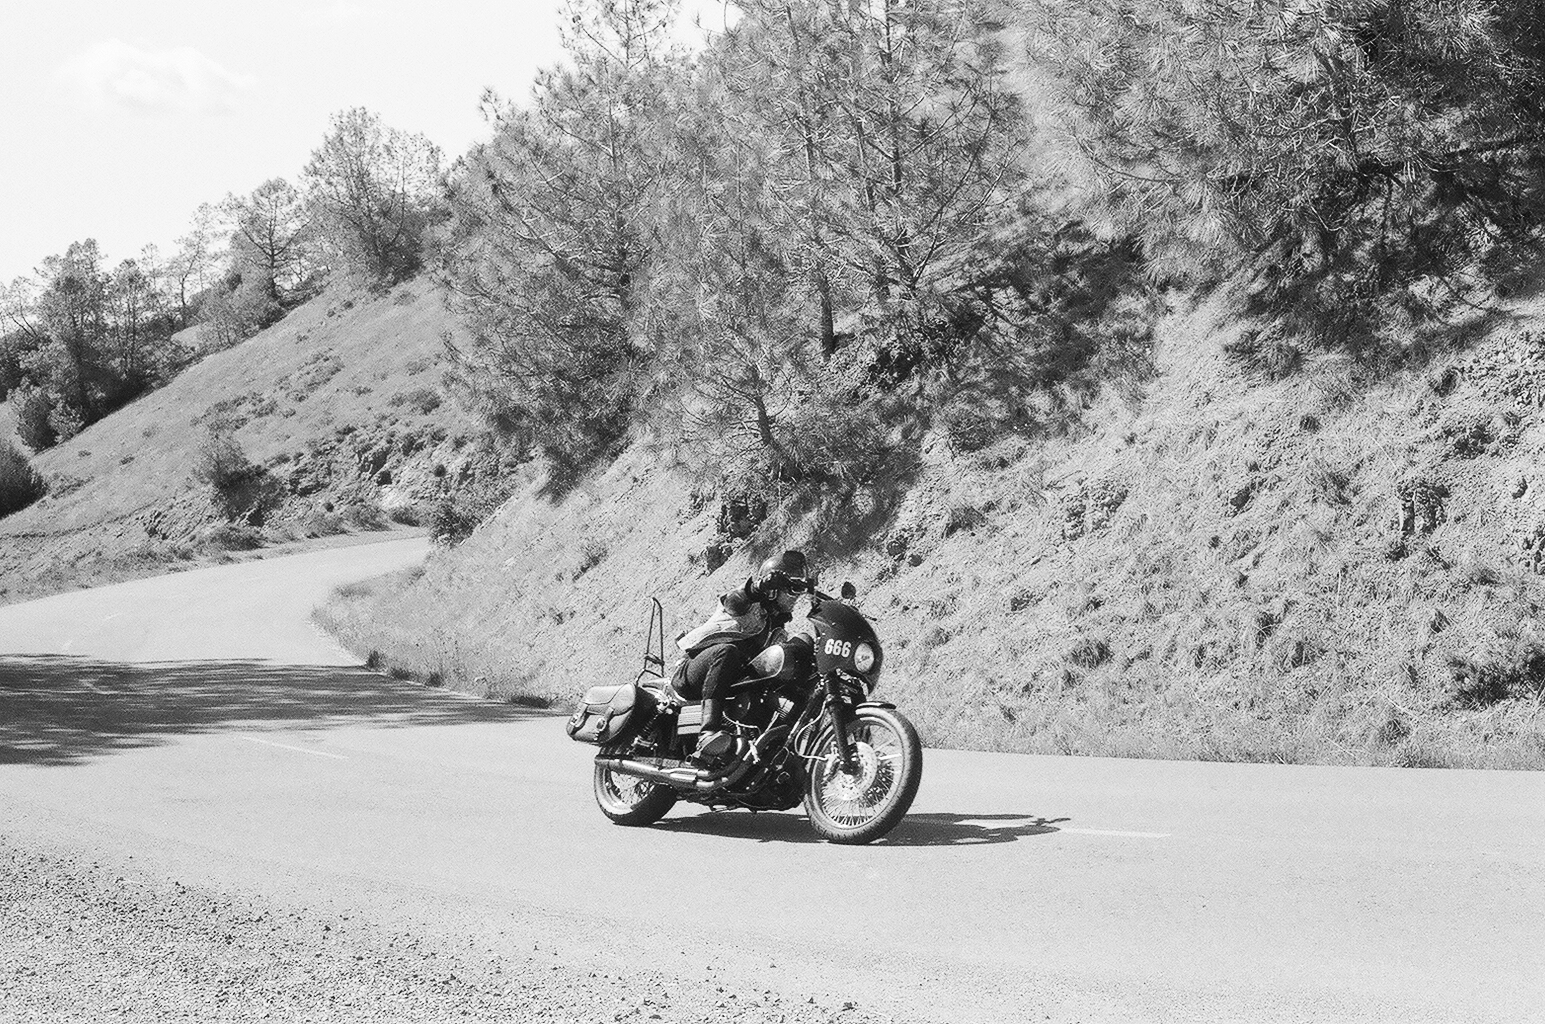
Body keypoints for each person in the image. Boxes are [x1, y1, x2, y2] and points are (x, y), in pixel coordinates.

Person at [675, 550, 811, 762]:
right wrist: (756, 588)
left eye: (800, 590)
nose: (796, 597)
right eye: (792, 589)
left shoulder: (777, 633)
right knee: (728, 651)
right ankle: (707, 733)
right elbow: (733, 601)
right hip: (694, 672)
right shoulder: (748, 604)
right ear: (774, 588)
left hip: (728, 686)